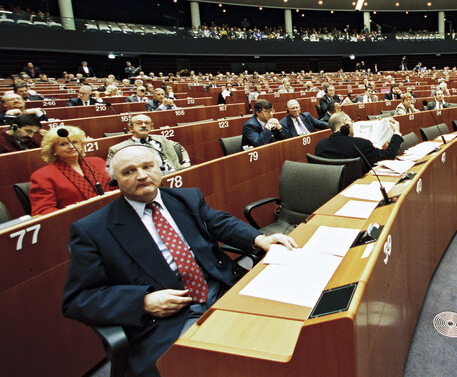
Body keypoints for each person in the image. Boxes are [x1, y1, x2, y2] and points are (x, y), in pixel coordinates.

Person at [62, 145, 297, 377]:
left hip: (223, 288)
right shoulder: (92, 229)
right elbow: (77, 299)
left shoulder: (186, 198)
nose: (142, 175)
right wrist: (141, 301)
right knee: (210, 366)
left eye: (147, 166)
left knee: (289, 329)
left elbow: (220, 222)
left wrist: (259, 238)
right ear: (115, 181)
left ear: (160, 168)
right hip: (168, 317)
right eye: (129, 171)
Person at [29, 126, 114, 216]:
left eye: (74, 142)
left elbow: (115, 188)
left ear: (81, 145)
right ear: (53, 149)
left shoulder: (97, 162)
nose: (71, 146)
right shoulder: (42, 176)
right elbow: (43, 211)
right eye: (63, 144)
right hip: (78, 222)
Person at [107, 114, 191, 174]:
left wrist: (186, 161)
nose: (143, 125)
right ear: (131, 128)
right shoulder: (118, 149)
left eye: (147, 123)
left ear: (150, 127)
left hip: (174, 173)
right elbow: (110, 170)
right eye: (139, 123)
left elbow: (179, 147)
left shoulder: (160, 138)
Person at [314, 112, 403, 165]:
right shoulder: (360, 144)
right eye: (351, 122)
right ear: (346, 122)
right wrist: (396, 133)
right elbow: (388, 155)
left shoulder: (320, 146)